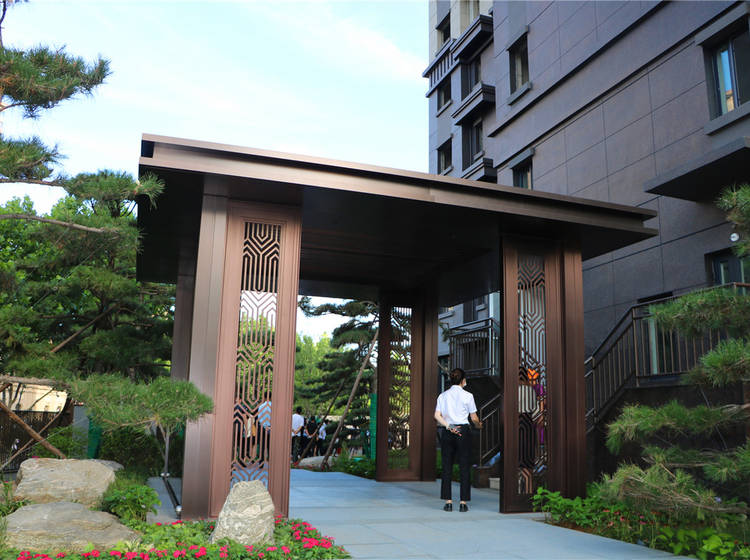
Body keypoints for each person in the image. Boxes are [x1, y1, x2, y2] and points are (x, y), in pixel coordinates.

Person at [434, 367, 482, 512]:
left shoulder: (443, 395)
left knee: (447, 465)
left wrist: (449, 426)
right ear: (463, 380)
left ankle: (448, 502)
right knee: (464, 465)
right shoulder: (468, 396)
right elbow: (474, 417)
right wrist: (479, 425)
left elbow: (437, 415)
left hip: (448, 431)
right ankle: (463, 503)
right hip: (463, 431)